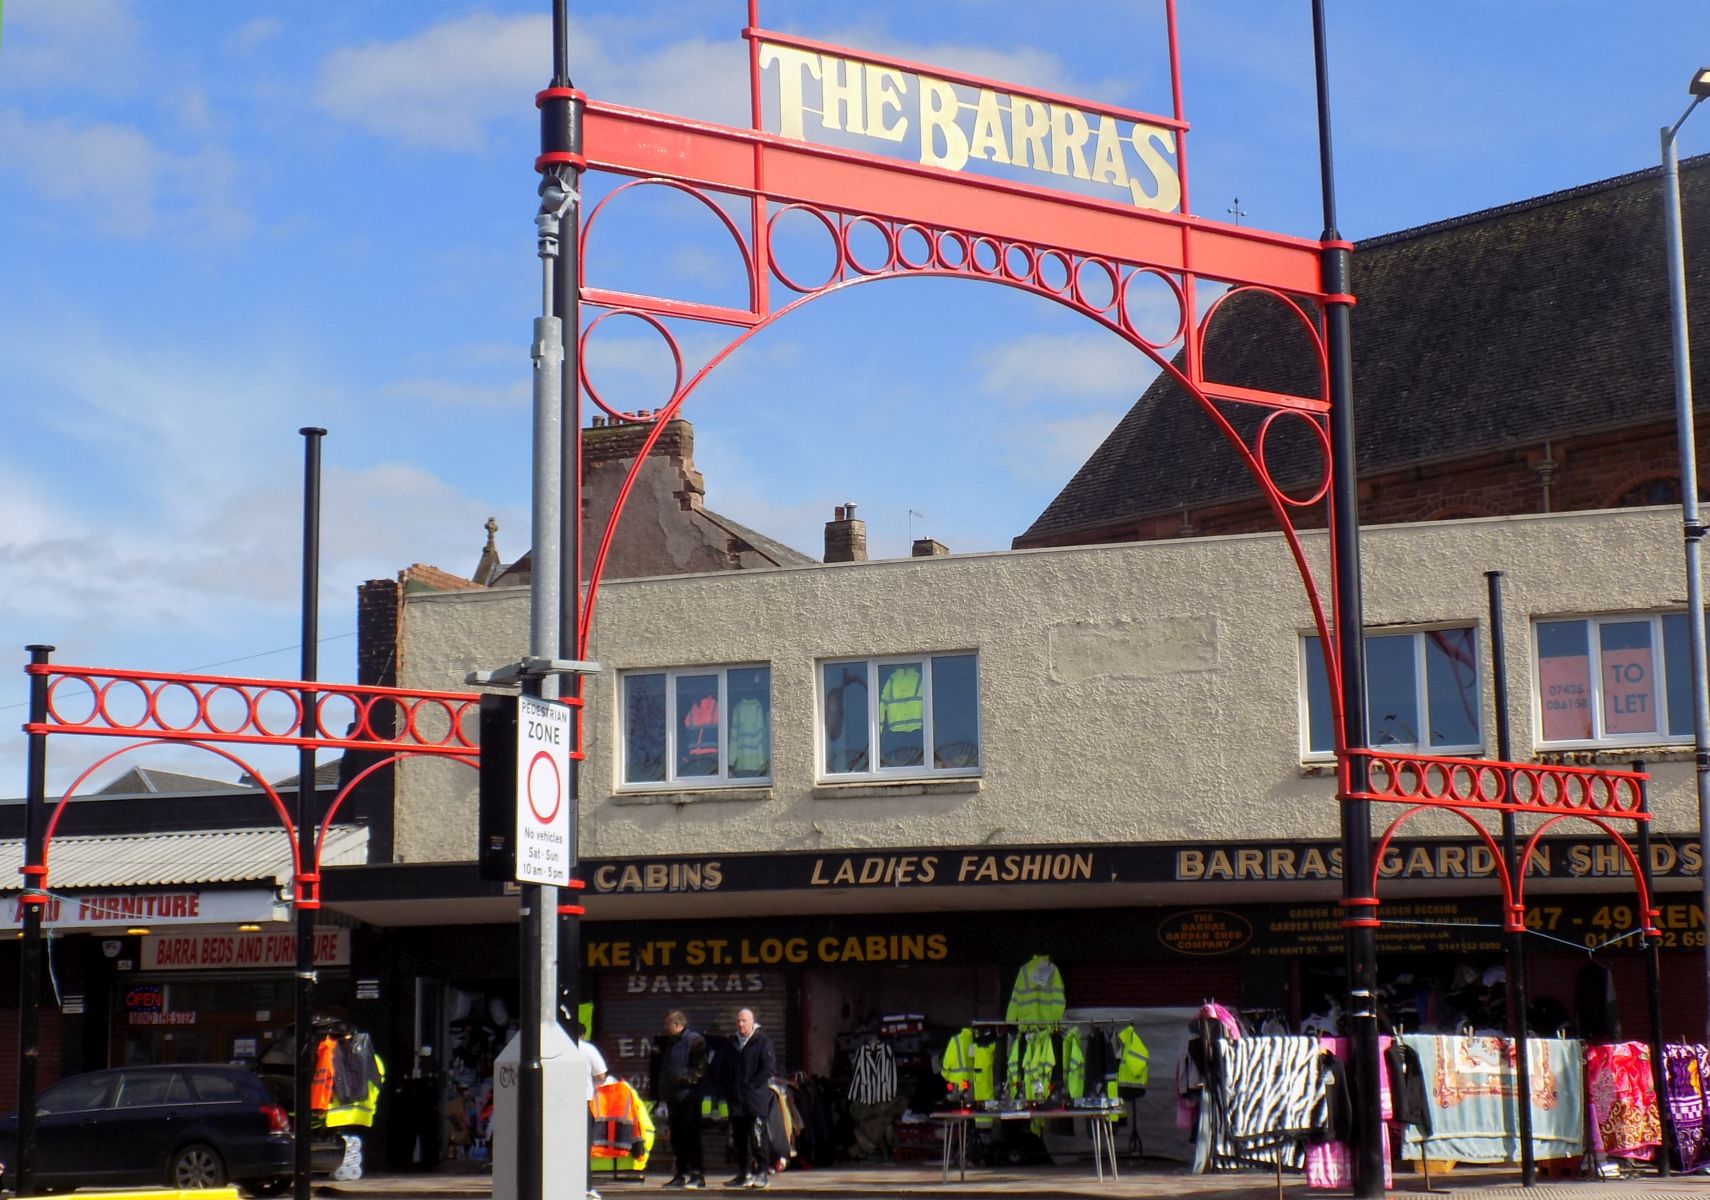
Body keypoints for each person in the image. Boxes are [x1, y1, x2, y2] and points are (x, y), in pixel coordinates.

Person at [649, 1010, 709, 1189]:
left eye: (668, 1024)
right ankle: (681, 1174)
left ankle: (697, 1175)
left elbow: (701, 1067)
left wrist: (687, 1079)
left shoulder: (695, 1040)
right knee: (677, 1138)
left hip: (689, 1098)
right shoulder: (667, 1042)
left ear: (677, 1025)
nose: (665, 1027)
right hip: (672, 1097)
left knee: (691, 1137)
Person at [725, 1008, 775, 1189]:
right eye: (738, 1021)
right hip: (736, 1101)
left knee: (757, 1138)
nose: (740, 1024)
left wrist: (752, 1085)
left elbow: (768, 1068)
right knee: (739, 1140)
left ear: (752, 1022)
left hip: (755, 1101)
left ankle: (762, 1173)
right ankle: (743, 1173)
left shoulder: (762, 1041)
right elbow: (725, 1068)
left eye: (744, 1021)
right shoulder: (732, 1043)